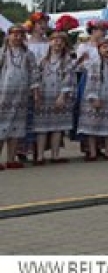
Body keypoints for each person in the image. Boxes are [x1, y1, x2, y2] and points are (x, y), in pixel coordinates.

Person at [31, 29, 75, 165]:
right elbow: (35, 76)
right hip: (44, 95)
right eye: (55, 40)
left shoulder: (67, 60)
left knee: (58, 126)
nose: (57, 43)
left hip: (59, 95)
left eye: (61, 41)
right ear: (50, 42)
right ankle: (39, 156)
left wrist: (63, 96)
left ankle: (55, 155)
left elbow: (68, 79)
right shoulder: (42, 59)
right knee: (41, 127)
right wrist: (36, 93)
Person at [77, 37, 108, 160]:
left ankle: (107, 151)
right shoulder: (95, 63)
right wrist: (93, 97)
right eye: (104, 47)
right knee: (92, 125)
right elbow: (92, 81)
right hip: (96, 96)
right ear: (99, 50)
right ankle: (92, 152)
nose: (107, 49)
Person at [0, 26, 35, 169]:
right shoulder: (2, 53)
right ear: (8, 36)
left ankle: (11, 159)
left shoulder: (28, 54)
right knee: (2, 126)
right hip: (3, 94)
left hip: (21, 94)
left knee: (16, 127)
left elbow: (34, 72)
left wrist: (35, 90)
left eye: (21, 35)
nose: (18, 38)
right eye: (15, 35)